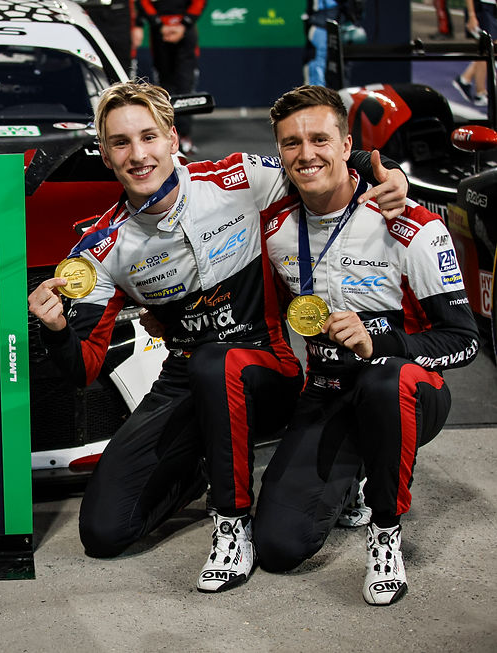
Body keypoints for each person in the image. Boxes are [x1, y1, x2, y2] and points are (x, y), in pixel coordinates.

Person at [27, 80, 408, 593]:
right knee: (105, 531)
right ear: (105, 154)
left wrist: (385, 171)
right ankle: (208, 463)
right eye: (120, 143)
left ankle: (238, 519)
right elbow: (84, 368)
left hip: (273, 367)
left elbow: (314, 163)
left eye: (148, 137)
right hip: (187, 377)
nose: (138, 155)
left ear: (172, 138)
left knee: (218, 363)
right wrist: (54, 333)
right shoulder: (100, 246)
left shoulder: (237, 177)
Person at [254, 85, 479, 606]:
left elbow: (463, 340)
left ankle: (386, 531)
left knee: (385, 379)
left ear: (347, 142)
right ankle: (351, 472)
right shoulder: (276, 227)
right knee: (279, 546)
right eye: (291, 144)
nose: (306, 154)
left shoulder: (410, 225)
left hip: (409, 389)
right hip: (328, 390)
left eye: (319, 139)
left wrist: (381, 339)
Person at [135, 0, 204, 154]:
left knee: (185, 86)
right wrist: (159, 24)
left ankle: (185, 136)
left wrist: (184, 25)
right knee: (164, 89)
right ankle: (166, 135)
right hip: (159, 34)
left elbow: (199, 2)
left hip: (186, 35)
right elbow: (143, 2)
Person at [453, 0, 495, 106]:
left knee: (490, 50)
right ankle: (479, 93)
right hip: (481, 8)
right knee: (487, 50)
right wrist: (472, 15)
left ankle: (465, 79)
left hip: (490, 8)